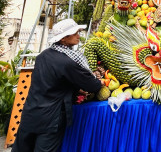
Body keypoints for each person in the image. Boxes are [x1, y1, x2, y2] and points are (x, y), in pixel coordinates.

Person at [13, 19, 103, 152]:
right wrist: (98, 80)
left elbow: (52, 81)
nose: (79, 36)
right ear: (63, 39)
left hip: (30, 114)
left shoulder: (42, 56)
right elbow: (93, 85)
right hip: (51, 119)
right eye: (75, 33)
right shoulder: (67, 62)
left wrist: (74, 88)